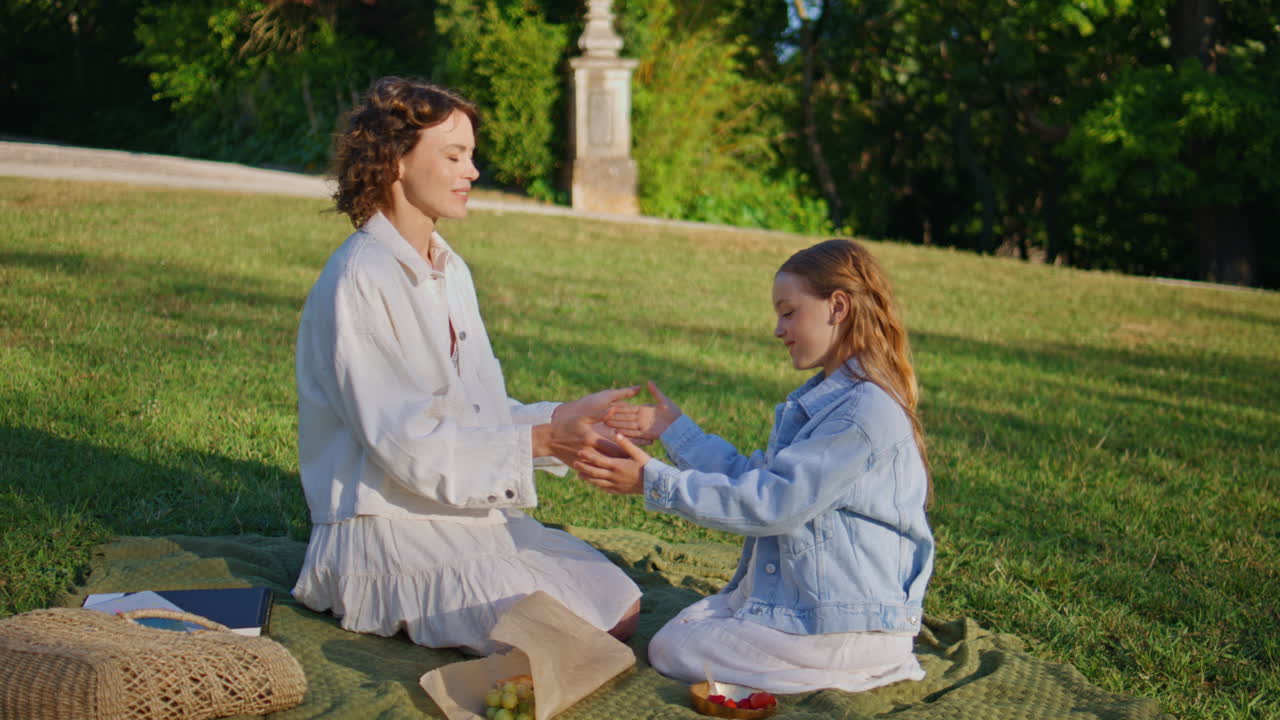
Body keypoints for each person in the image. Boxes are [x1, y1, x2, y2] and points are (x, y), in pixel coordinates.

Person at [292, 76, 641, 655]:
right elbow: (405, 446)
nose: (472, 171)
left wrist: (564, 421)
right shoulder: (362, 278)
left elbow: (478, 408)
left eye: (471, 156)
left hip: (458, 514)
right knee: (572, 636)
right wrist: (545, 441)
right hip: (387, 530)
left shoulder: (450, 269)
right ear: (395, 162)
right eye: (453, 155)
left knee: (618, 602)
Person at [576, 238, 934, 693]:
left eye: (789, 312)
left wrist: (654, 482)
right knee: (692, 623)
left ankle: (858, 670)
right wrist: (673, 429)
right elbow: (757, 480)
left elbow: (771, 503)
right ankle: (831, 658)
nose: (778, 329)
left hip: (848, 624)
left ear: (837, 306)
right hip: (821, 607)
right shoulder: (829, 400)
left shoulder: (861, 414)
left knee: (672, 647)